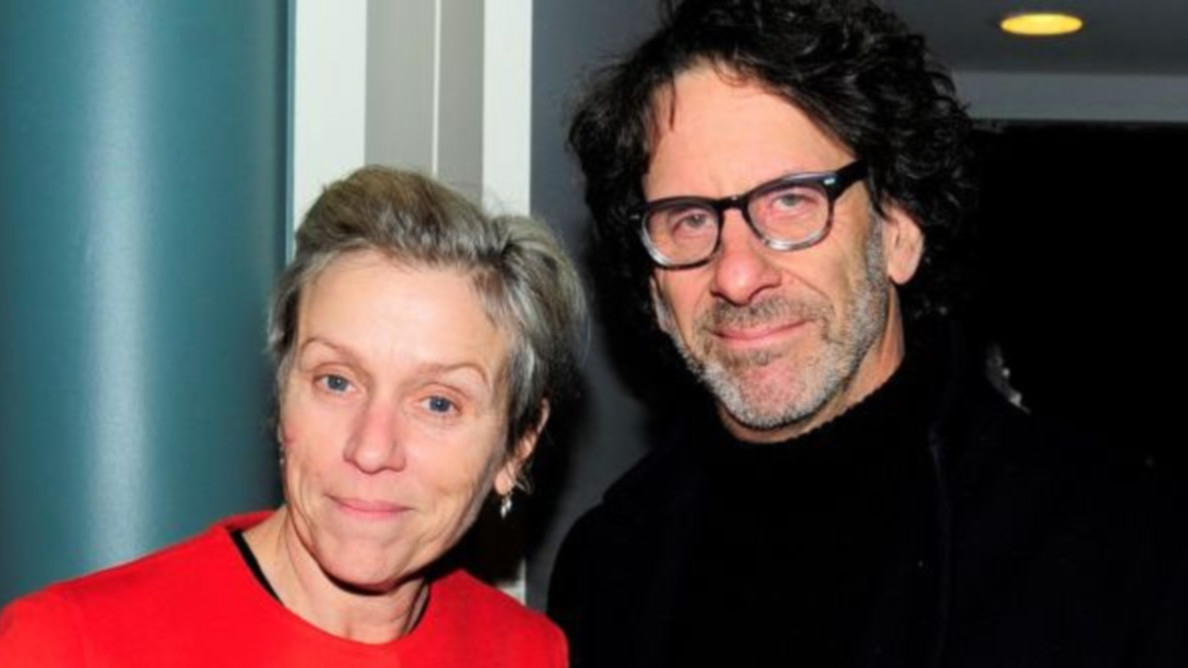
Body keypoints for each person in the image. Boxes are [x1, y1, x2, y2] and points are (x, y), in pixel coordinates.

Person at [547, 1, 1181, 666]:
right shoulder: (609, 566)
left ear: (897, 234)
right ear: (655, 288)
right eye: (689, 220)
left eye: (791, 201)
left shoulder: (1119, 545)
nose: (736, 275)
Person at [0, 166, 584, 667]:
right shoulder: (70, 646)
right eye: (337, 381)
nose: (371, 448)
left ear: (518, 446)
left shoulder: (526, 653)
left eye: (438, 403)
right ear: (282, 395)